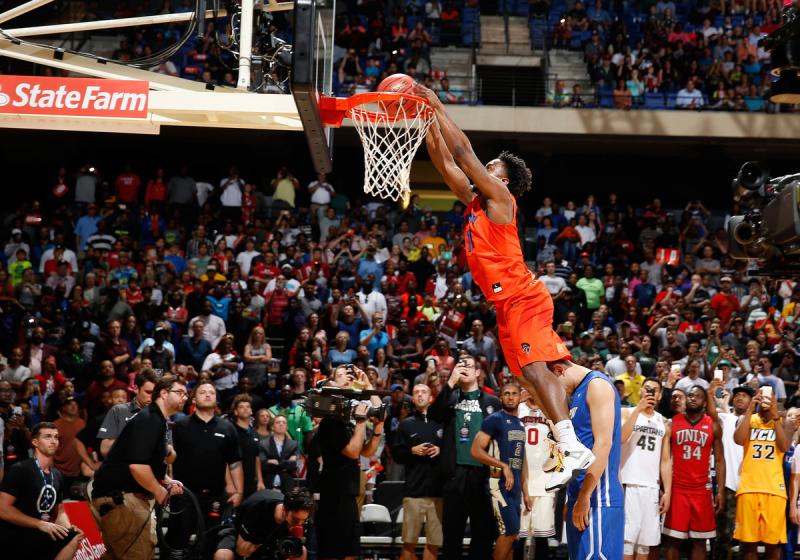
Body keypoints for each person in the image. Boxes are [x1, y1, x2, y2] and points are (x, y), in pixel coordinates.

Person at [416, 81, 593, 493]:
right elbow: (445, 163)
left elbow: (462, 153)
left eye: (491, 165)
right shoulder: (476, 200)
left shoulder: (501, 198)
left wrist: (437, 103)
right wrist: (426, 122)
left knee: (534, 368)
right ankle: (568, 442)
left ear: (503, 179)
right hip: (505, 303)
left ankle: (570, 442)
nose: (484, 169)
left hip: (523, 296)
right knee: (526, 379)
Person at [91, 375, 188, 560]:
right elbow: (137, 466)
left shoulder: (155, 420)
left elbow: (139, 460)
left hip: (118, 499)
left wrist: (166, 481)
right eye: (180, 392)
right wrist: (158, 490)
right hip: (124, 500)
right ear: (164, 393)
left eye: (186, 393)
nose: (185, 397)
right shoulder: (150, 419)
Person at [547, 358, 623, 560]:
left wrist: (584, 496)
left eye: (553, 385)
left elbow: (604, 444)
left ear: (559, 370)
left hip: (597, 498)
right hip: (581, 496)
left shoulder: (597, 385)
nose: (556, 392)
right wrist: (573, 497)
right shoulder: (577, 394)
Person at [427, 353, 501, 560]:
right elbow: (434, 416)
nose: (464, 367)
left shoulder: (492, 402)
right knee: (452, 535)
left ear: (478, 372)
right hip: (455, 473)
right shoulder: (450, 399)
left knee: (483, 534)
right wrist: (450, 383)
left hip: (483, 475)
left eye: (469, 365)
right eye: (460, 365)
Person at [315, 364, 385, 560]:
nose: (348, 374)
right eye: (341, 374)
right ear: (331, 386)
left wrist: (369, 386)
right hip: (334, 495)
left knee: (351, 553)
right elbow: (353, 452)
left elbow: (367, 451)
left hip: (350, 494)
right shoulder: (331, 421)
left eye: (349, 373)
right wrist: (362, 421)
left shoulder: (346, 420)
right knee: (332, 552)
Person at [172, 381, 243, 545]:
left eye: (211, 392)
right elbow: (169, 459)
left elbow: (235, 463)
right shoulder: (180, 426)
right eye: (202, 392)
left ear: (216, 399)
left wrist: (239, 492)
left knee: (210, 543)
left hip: (215, 496)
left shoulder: (227, 428)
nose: (207, 394)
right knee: (178, 542)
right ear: (194, 399)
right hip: (184, 495)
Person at [0, 422, 84, 560]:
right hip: (16, 533)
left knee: (73, 537)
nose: (53, 441)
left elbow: (60, 511)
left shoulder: (57, 475)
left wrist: (68, 528)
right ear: (35, 442)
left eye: (56, 437)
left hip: (41, 532)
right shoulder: (21, 469)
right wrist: (39, 524)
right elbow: (2, 509)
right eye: (47, 437)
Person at [663, 385, 725, 560]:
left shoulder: (712, 426)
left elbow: (720, 460)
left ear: (705, 402)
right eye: (690, 395)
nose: (692, 398)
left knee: (700, 541)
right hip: (677, 487)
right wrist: (664, 488)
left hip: (702, 490)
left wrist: (719, 491)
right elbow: (665, 460)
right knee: (673, 539)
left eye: (697, 396)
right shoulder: (672, 422)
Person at [470, 382, 528, 560]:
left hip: (515, 487)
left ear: (520, 397)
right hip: (498, 485)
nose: (510, 397)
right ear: (500, 397)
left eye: (514, 394)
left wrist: (526, 491)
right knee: (509, 531)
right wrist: (503, 466)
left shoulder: (520, 423)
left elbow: (522, 459)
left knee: (513, 537)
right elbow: (475, 451)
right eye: (506, 393)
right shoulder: (494, 420)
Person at [620, 378, 671, 560]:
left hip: (651, 487)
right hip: (629, 483)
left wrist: (667, 491)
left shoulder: (664, 422)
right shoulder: (626, 412)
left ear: (660, 395)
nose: (651, 392)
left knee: (644, 545)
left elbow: (665, 460)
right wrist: (639, 410)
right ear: (640, 391)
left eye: (655, 390)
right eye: (647, 388)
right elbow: (622, 438)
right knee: (626, 541)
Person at [734, 387, 788, 558]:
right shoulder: (749, 419)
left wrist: (775, 416)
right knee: (749, 544)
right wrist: (750, 410)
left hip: (774, 489)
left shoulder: (783, 420)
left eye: (769, 397)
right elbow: (738, 439)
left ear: (775, 400)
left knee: (773, 545)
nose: (765, 400)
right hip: (749, 487)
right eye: (762, 396)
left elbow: (785, 447)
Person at [392, 383, 444, 560]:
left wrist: (440, 451)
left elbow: (452, 450)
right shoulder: (405, 425)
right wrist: (412, 451)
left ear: (431, 398)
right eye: (416, 393)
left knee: (434, 544)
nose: (420, 395)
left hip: (438, 492)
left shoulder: (442, 423)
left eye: (424, 392)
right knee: (409, 543)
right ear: (412, 399)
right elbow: (396, 455)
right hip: (414, 492)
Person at [213, 487, 313, 560]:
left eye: (304, 521)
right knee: (223, 555)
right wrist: (265, 546)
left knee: (301, 552)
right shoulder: (258, 509)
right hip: (239, 531)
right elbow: (241, 550)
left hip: (272, 542)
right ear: (284, 509)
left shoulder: (298, 519)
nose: (299, 524)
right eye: (295, 520)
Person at [517, 388, 556, 559]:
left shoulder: (550, 410)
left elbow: (562, 438)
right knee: (518, 536)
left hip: (544, 480)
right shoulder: (517, 409)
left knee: (542, 537)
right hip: (520, 479)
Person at [96, 368, 157, 458]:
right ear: (136, 388)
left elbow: (169, 458)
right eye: (148, 392)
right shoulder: (119, 411)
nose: (152, 397)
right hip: (123, 469)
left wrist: (168, 450)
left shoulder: (160, 414)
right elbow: (104, 450)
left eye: (155, 393)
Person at [230, 393, 265, 498]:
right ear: (236, 411)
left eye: (248, 407)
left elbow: (257, 457)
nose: (245, 409)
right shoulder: (231, 431)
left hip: (251, 482)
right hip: (235, 481)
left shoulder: (254, 432)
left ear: (251, 411)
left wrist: (260, 481)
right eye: (241, 407)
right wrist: (230, 485)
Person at [259, 414, 298, 493]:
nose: (281, 424)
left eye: (284, 422)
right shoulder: (263, 444)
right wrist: (286, 463)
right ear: (272, 427)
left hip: (287, 486)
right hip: (268, 484)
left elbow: (294, 465)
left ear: (287, 427)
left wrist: (274, 462)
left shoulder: (294, 444)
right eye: (278, 422)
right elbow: (263, 464)